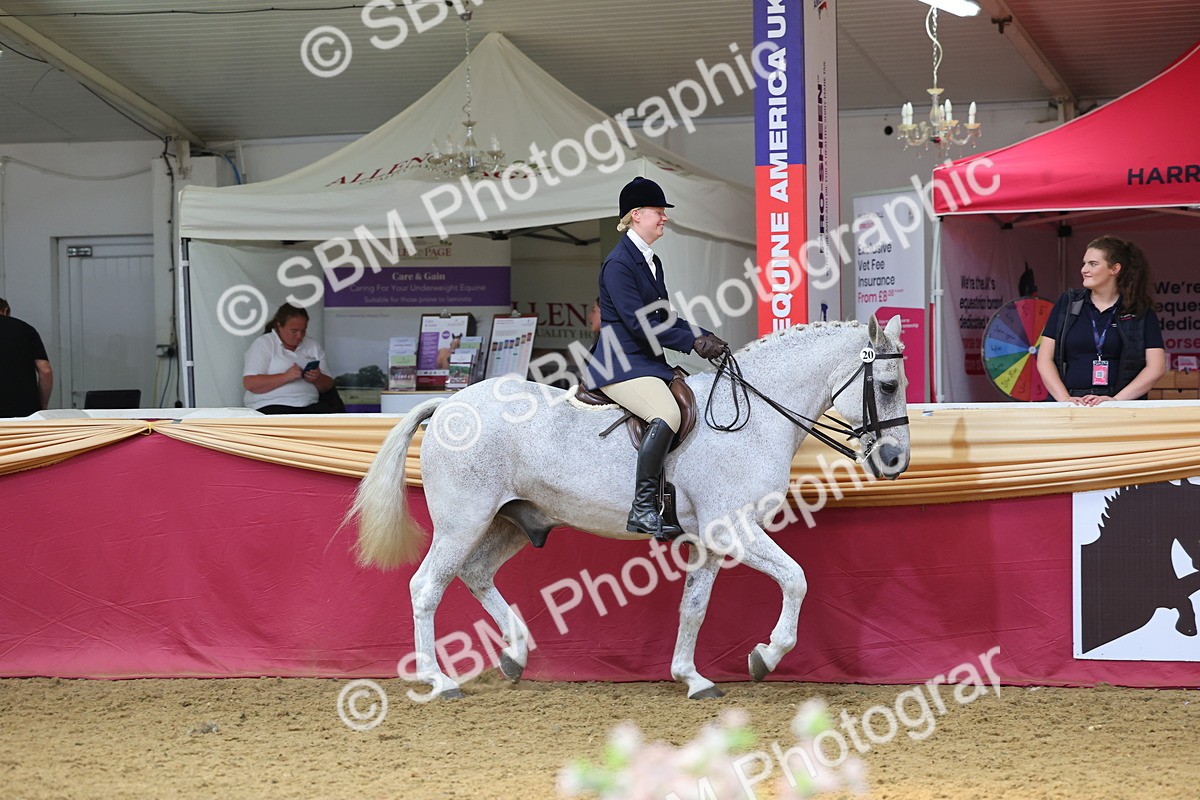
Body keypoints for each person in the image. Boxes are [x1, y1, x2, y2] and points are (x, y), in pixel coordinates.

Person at [583, 177, 726, 540]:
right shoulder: (618, 264)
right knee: (667, 413)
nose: (664, 219)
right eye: (658, 213)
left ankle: (670, 500)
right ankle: (643, 507)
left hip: (645, 360)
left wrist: (702, 335)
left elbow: (663, 316)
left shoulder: (651, 261)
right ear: (636, 215)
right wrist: (692, 345)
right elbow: (638, 322)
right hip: (620, 361)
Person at [1036, 236, 1166, 406]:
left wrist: (1116, 401)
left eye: (1093, 264)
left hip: (1121, 407)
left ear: (1114, 269)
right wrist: (1065, 400)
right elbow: (1044, 359)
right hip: (1069, 405)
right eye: (1084, 263)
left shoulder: (1139, 309)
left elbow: (1156, 367)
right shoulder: (1067, 302)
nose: (1084, 269)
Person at [243, 303, 342, 414]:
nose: (299, 336)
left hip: (309, 405)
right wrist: (286, 376)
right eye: (294, 331)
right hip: (272, 405)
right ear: (279, 325)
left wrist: (317, 378)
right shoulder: (264, 344)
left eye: (303, 331)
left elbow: (328, 386)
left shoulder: (313, 345)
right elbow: (250, 383)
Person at [0, 297, 53, 417]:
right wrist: (42, 406)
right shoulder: (26, 329)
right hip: (23, 410)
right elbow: (45, 370)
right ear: (5, 310)